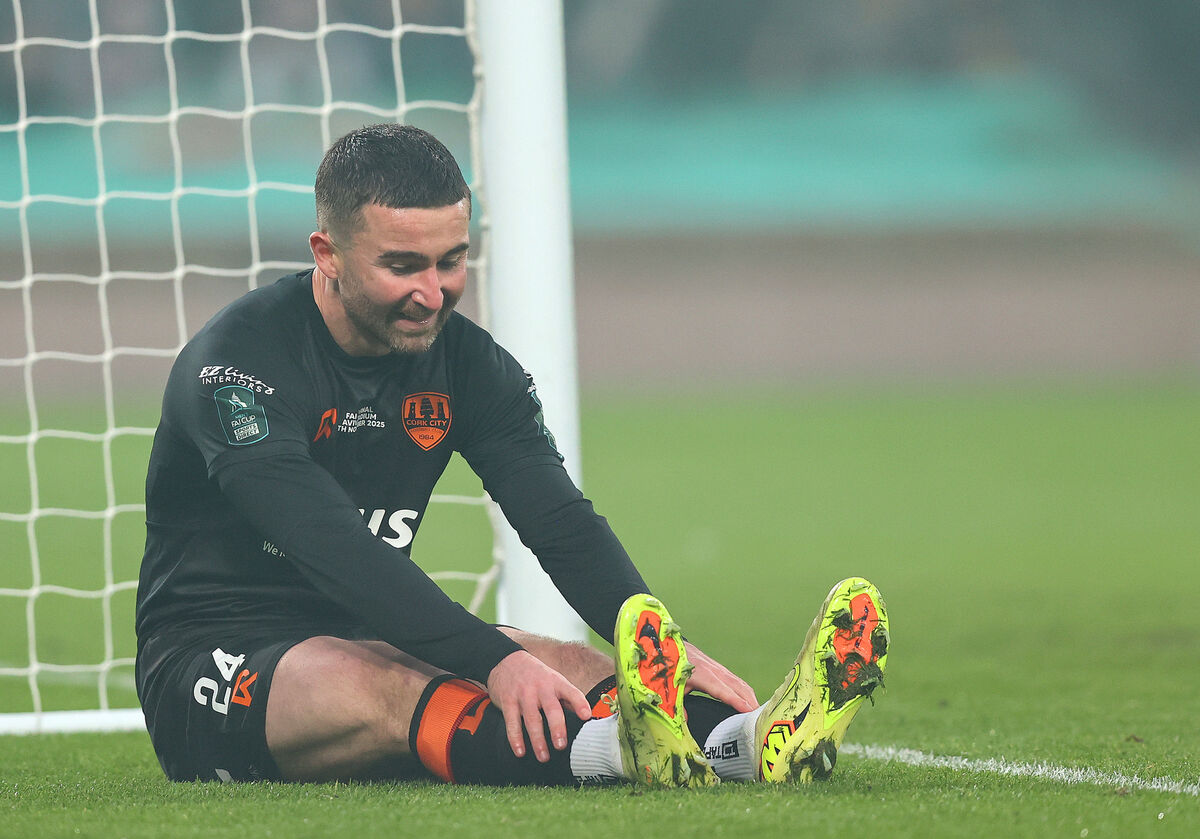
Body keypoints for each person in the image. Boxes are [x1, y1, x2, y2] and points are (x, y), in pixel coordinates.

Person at [134, 123, 889, 788]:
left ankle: (748, 745)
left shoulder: (467, 365)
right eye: (403, 266)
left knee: (571, 663)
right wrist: (487, 660)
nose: (433, 293)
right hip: (213, 665)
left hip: (371, 629)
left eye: (452, 261)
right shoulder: (237, 369)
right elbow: (332, 549)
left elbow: (556, 517)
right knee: (379, 682)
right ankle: (622, 757)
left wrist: (651, 632)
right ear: (326, 252)